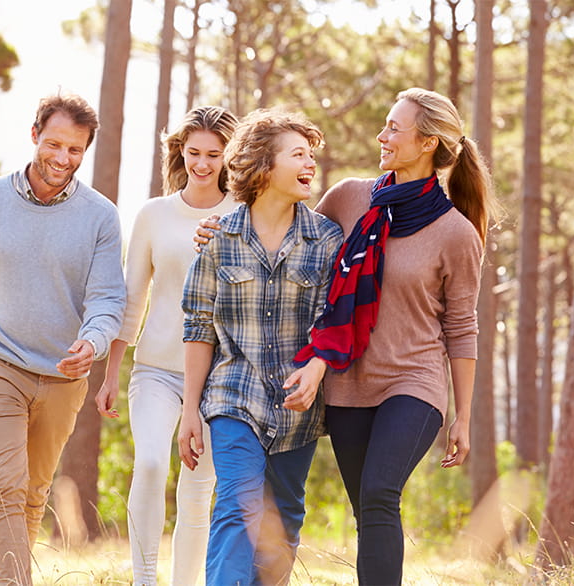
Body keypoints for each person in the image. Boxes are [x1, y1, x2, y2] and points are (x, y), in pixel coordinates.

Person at [194, 88, 489, 584]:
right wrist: (219, 228)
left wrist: (464, 415)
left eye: (394, 128)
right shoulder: (350, 198)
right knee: (365, 508)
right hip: (347, 382)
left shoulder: (456, 233)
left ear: (428, 143)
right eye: (385, 124)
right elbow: (283, 225)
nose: (382, 135)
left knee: (379, 493)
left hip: (414, 382)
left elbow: (461, 328)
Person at [0, 93, 125, 586]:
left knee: (33, 495)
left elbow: (107, 299)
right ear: (35, 135)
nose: (62, 158)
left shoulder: (101, 216)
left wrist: (93, 343)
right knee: (5, 486)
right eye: (54, 144)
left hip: (63, 373)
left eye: (75, 149)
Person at [175, 108, 345, 586]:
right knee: (237, 502)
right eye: (298, 155)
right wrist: (190, 410)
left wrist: (316, 368)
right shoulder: (220, 239)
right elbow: (198, 326)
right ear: (264, 166)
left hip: (298, 407)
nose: (310, 164)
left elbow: (333, 320)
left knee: (284, 519)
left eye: (311, 155)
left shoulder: (325, 240)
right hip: (234, 394)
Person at [91, 106, 241, 586]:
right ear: (180, 151)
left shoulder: (242, 214)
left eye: (214, 155)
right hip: (155, 368)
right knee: (152, 463)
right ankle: (144, 579)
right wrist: (111, 375)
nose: (202, 164)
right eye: (194, 152)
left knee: (197, 491)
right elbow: (132, 299)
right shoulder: (153, 214)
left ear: (228, 157)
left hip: (219, 375)